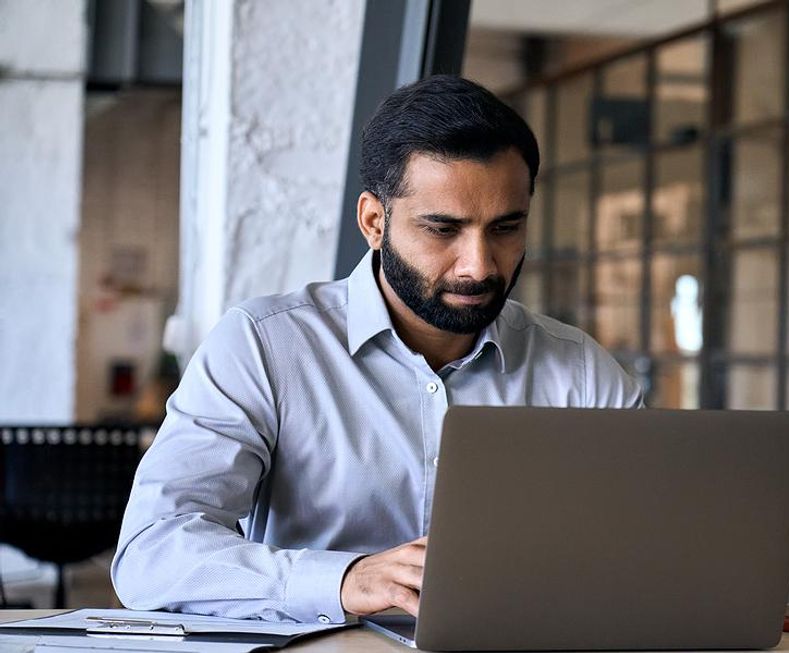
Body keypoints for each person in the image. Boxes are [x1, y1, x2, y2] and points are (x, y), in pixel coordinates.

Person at [112, 75, 643, 624]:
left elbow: (649, 548)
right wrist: (344, 579)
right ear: (374, 222)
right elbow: (152, 554)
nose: (480, 265)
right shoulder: (265, 345)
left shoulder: (580, 371)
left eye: (505, 228)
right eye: (443, 229)